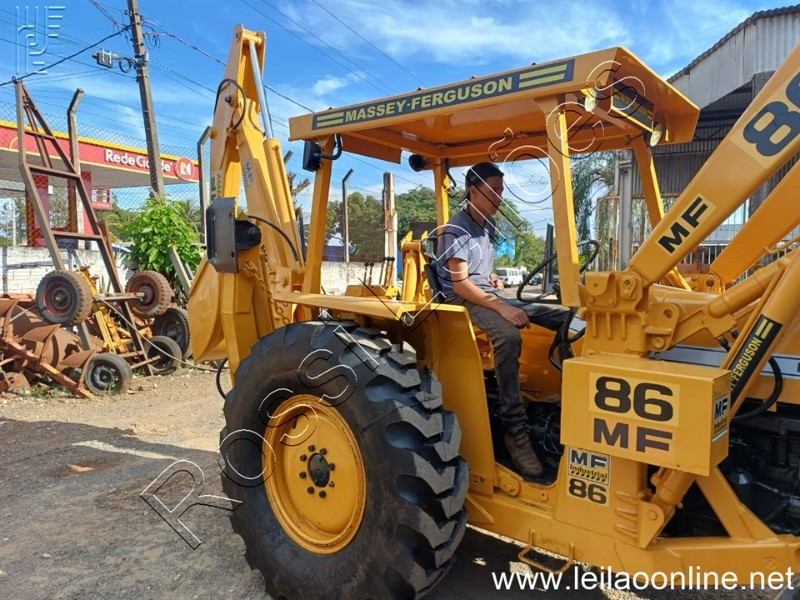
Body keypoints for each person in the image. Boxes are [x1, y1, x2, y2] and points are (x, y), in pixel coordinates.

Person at [435, 162, 544, 479]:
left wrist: (492, 278)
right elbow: (460, 284)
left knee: (557, 317)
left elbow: (478, 270)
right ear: (473, 191)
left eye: (501, 190)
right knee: (508, 336)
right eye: (493, 190)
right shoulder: (456, 229)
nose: (499, 197)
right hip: (460, 299)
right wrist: (502, 308)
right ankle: (515, 430)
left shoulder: (488, 226)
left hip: (481, 291)